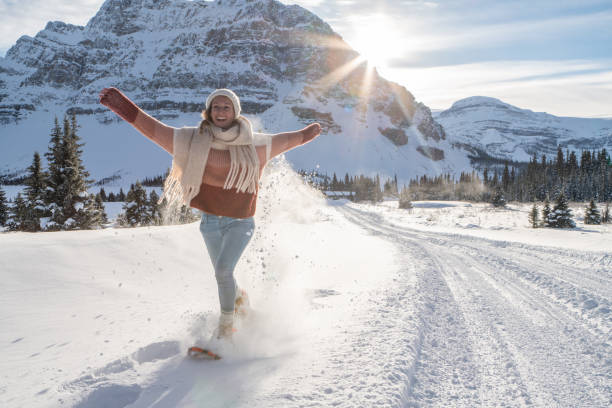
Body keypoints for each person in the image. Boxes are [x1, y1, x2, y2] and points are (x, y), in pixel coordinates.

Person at [99, 87, 321, 342]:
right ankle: (242, 305)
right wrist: (123, 107)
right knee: (224, 274)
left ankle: (227, 328)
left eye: (226, 107)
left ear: (235, 112)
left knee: (223, 272)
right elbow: (155, 130)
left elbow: (285, 140)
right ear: (208, 111)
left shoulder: (255, 143)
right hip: (210, 223)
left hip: (241, 223)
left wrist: (306, 133)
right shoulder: (191, 140)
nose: (220, 111)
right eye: (216, 107)